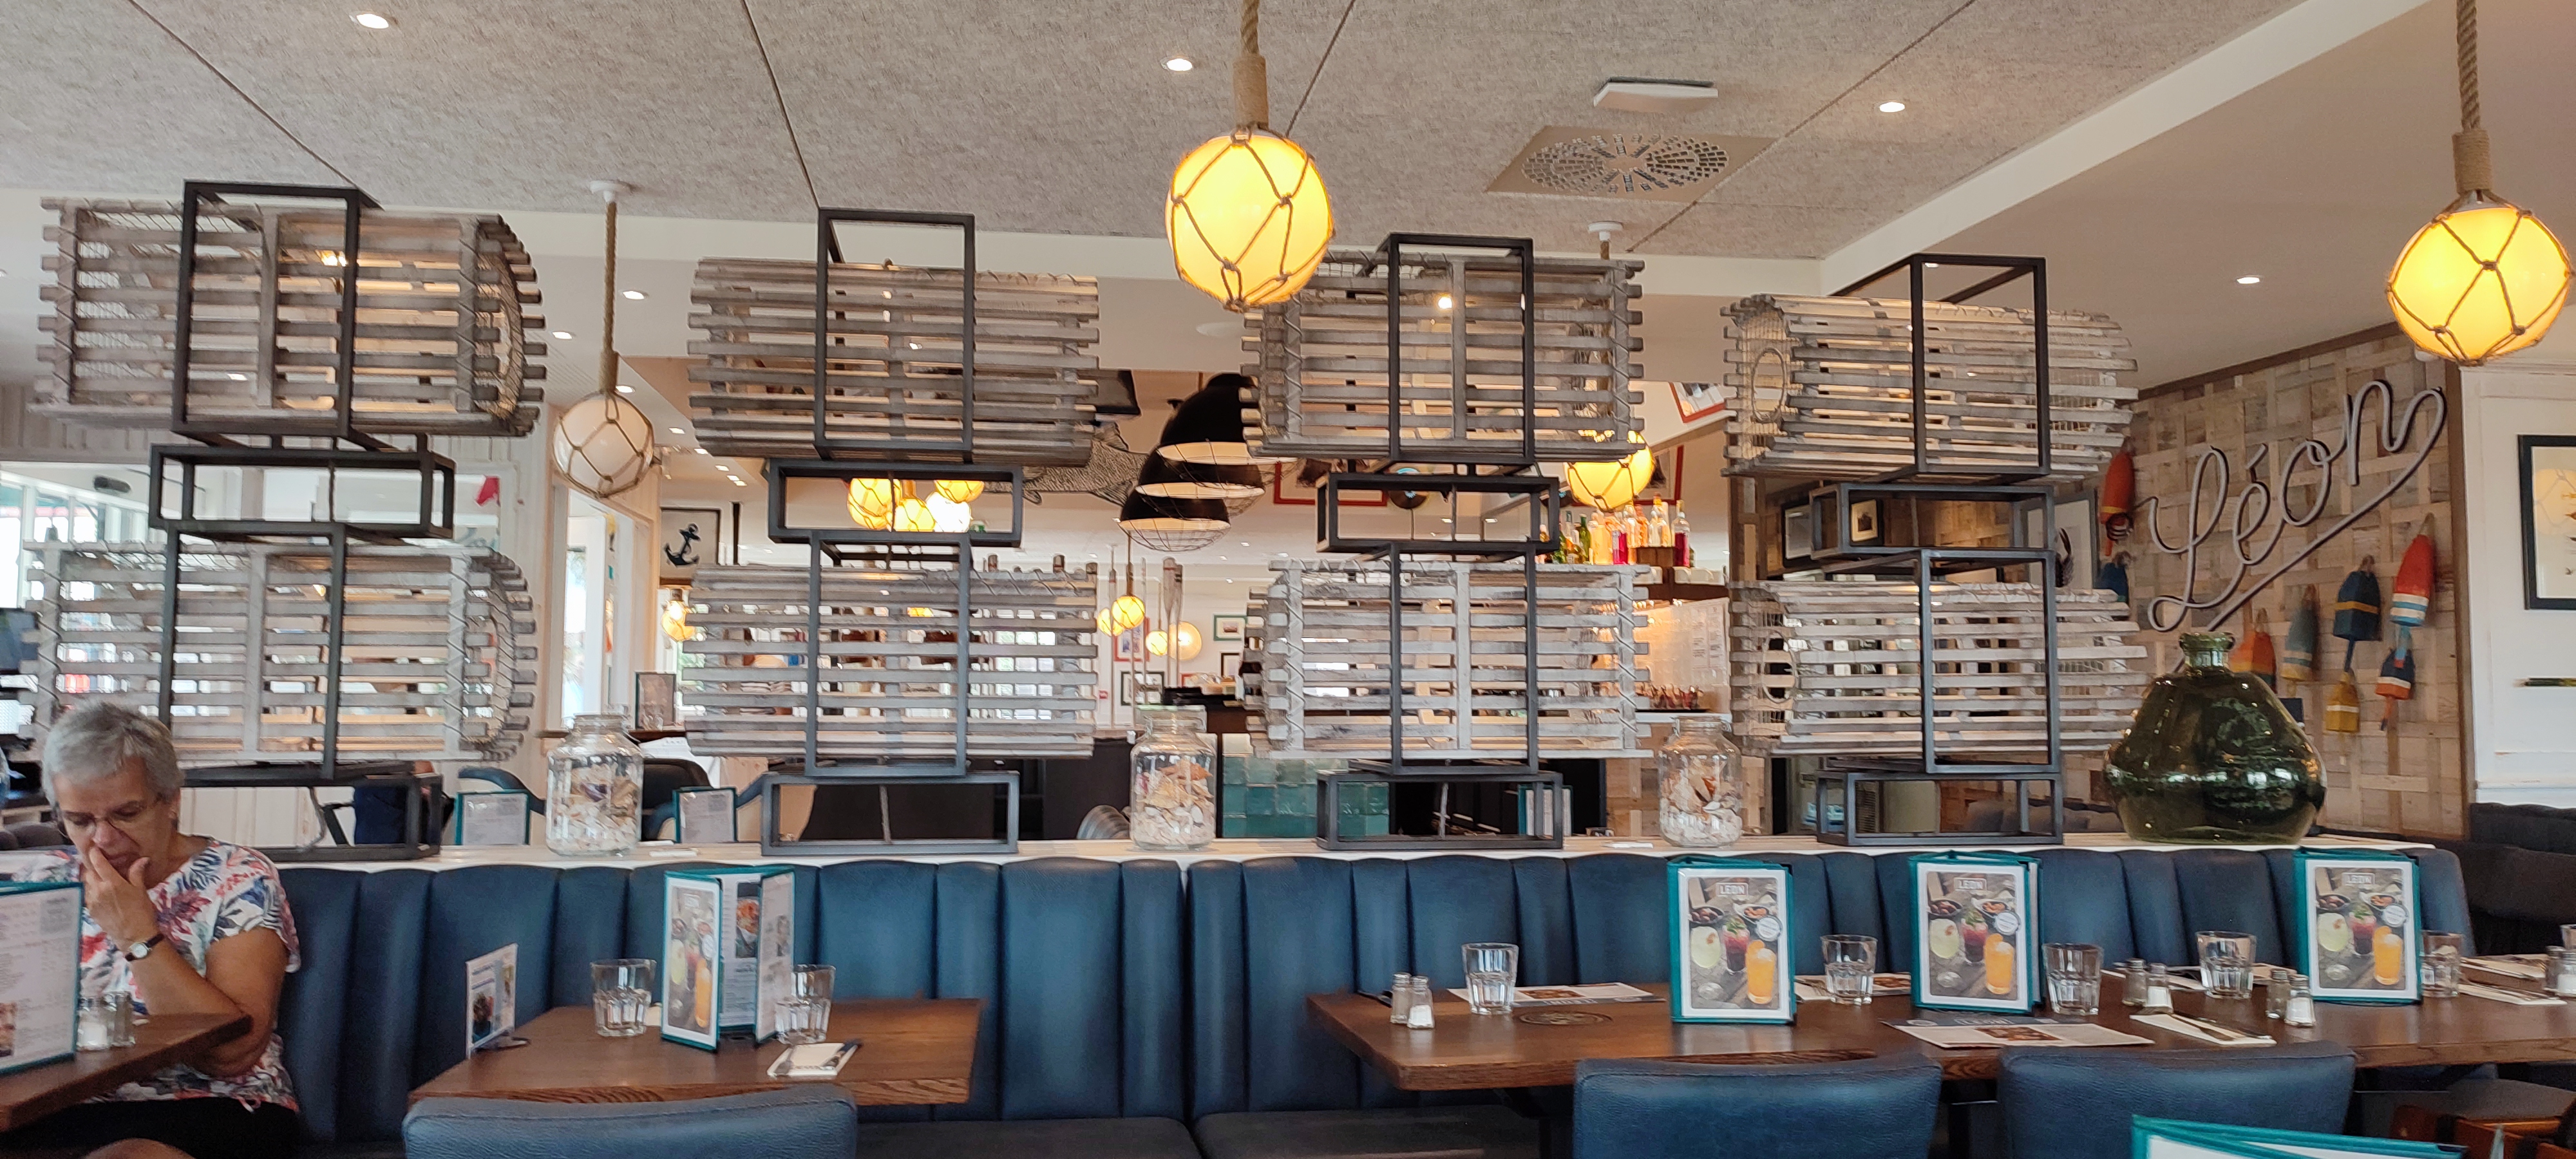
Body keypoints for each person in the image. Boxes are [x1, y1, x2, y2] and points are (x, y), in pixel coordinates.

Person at [0, 701, 300, 1159]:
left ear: (172, 800)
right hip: (52, 1105)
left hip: (208, 1105)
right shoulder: (42, 881)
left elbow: (232, 1055)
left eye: (126, 814)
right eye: (80, 821)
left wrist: (137, 936)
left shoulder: (236, 877)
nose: (103, 839)